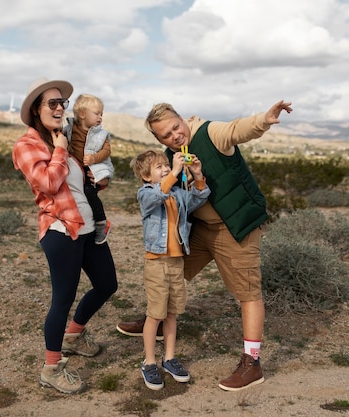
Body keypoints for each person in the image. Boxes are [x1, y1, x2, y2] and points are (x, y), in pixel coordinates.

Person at [116, 100, 293, 391]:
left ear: (182, 119)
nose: (174, 135)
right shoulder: (172, 156)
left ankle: (252, 363)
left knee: (247, 291)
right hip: (199, 230)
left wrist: (264, 118)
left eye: (175, 126)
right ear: (159, 140)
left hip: (234, 227)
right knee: (170, 271)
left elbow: (237, 130)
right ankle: (155, 319)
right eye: (165, 135)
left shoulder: (210, 134)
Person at [12, 77, 118, 394]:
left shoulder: (64, 139)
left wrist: (95, 180)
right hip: (61, 231)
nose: (60, 108)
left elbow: (76, 184)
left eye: (62, 103)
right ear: (36, 110)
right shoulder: (26, 145)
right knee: (63, 299)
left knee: (107, 284)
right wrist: (59, 152)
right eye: (52, 103)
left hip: (86, 229)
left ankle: (74, 335)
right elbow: (47, 182)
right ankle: (51, 368)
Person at [131, 149, 210, 390]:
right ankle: (150, 361)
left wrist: (197, 176)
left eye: (166, 165)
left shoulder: (177, 192)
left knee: (173, 312)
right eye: (159, 167)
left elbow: (198, 199)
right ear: (146, 176)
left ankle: (169, 358)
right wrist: (175, 172)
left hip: (176, 262)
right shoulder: (145, 193)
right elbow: (157, 195)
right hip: (156, 262)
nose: (165, 168)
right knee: (155, 314)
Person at [64, 93, 114, 244]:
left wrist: (94, 158)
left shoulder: (101, 134)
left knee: (89, 192)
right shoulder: (69, 129)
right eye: (97, 113)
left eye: (101, 114)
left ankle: (101, 222)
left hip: (92, 169)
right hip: (75, 168)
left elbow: (107, 151)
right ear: (82, 114)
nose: (100, 117)